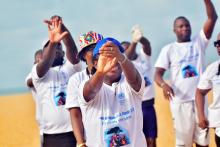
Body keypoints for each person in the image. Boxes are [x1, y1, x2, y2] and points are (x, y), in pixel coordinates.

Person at [154, 0, 217, 146]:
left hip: (200, 101)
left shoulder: (199, 42)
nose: (185, 28)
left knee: (203, 141)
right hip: (180, 103)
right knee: (183, 143)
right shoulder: (169, 49)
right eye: (180, 26)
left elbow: (212, 18)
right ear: (174, 30)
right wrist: (163, 85)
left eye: (187, 25)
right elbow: (157, 73)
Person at [77, 37, 147, 146]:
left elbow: (135, 80)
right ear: (95, 63)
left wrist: (122, 58)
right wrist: (100, 72)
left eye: (116, 57)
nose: (113, 62)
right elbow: (91, 90)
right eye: (106, 58)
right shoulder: (85, 85)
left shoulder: (131, 82)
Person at [31, 15, 81, 147]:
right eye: (49, 46)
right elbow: (46, 61)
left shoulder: (71, 68)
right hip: (53, 136)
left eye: (59, 45)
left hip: (77, 131)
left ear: (63, 53)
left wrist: (61, 28)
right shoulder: (38, 72)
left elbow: (72, 49)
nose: (56, 47)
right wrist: (53, 42)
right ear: (42, 54)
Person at [65, 31, 103, 147]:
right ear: (83, 55)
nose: (97, 51)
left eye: (99, 47)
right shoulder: (77, 79)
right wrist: (81, 142)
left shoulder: (112, 74)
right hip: (92, 140)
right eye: (92, 48)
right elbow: (75, 113)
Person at [121, 25, 157, 147]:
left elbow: (147, 45)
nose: (126, 51)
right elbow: (127, 57)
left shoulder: (144, 56)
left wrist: (140, 38)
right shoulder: (125, 65)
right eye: (123, 50)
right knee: (138, 140)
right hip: (134, 107)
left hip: (148, 106)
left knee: (151, 140)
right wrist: (134, 42)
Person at [195, 33, 220, 147]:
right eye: (217, 44)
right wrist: (201, 116)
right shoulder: (213, 68)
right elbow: (200, 92)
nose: (218, 47)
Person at [25, 49, 43, 146]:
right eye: (38, 61)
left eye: (43, 60)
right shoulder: (31, 76)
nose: (40, 63)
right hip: (43, 123)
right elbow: (29, 82)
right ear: (34, 63)